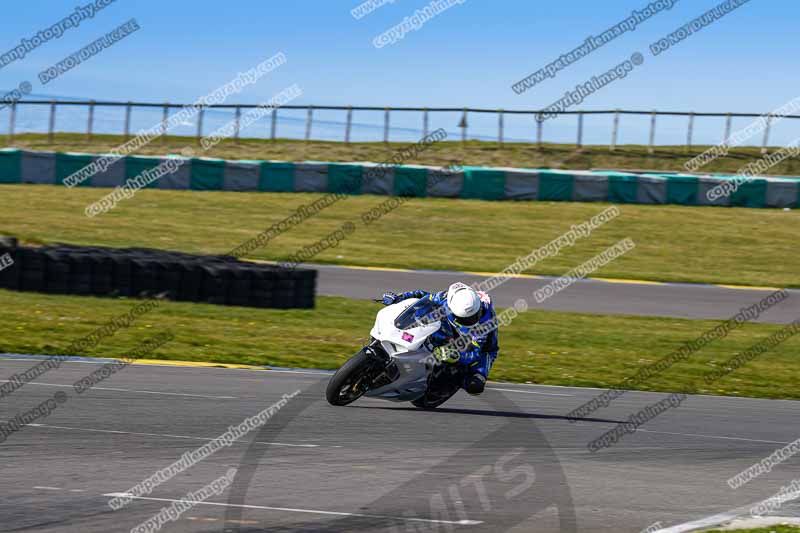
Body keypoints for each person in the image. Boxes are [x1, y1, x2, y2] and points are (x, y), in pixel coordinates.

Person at [381, 282, 498, 395]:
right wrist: (397, 298)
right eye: (466, 318)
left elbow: (475, 353)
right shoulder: (446, 298)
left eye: (473, 316)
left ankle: (454, 380)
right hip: (452, 329)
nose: (471, 320)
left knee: (474, 386)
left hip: (483, 351)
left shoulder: (485, 324)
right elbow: (422, 296)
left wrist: (456, 355)